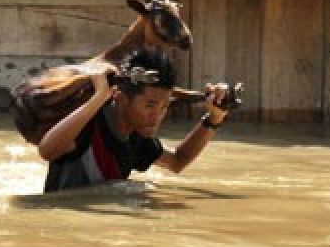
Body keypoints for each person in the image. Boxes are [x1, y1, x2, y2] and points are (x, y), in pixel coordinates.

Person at [37, 48, 231, 193]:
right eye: (149, 106)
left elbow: (177, 161)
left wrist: (213, 120)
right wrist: (98, 98)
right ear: (120, 97)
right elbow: (46, 150)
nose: (156, 117)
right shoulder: (88, 122)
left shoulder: (137, 138)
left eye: (164, 107)